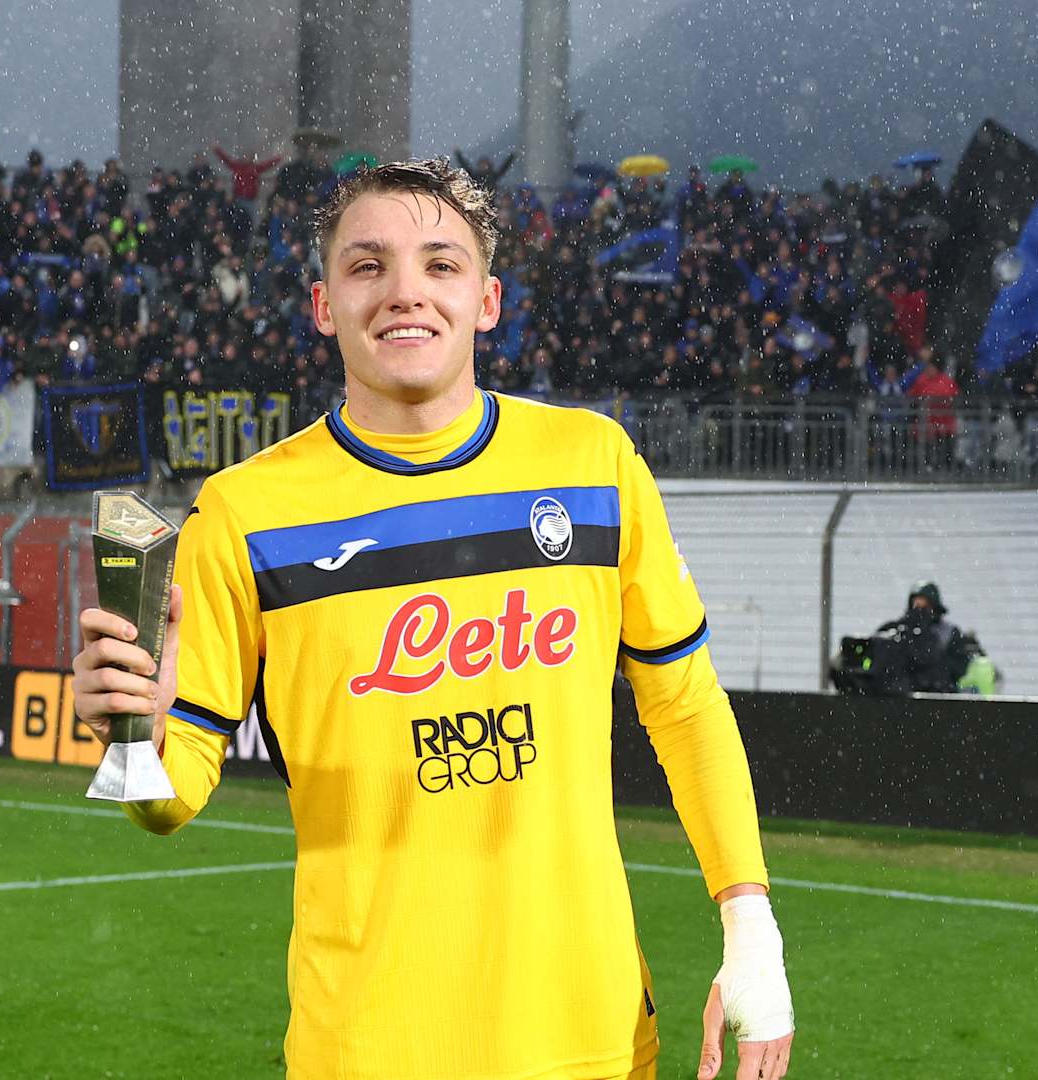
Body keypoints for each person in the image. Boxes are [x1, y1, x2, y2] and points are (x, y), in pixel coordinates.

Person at [71, 159, 795, 1080]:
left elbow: (685, 708)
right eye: (368, 265)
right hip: (366, 1051)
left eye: (441, 264)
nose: (405, 290)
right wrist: (133, 730)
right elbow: (167, 803)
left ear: (488, 301)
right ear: (324, 305)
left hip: (593, 1042)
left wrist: (751, 925)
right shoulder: (245, 515)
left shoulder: (595, 466)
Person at [871, 581, 975, 694]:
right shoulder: (895, 628)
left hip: (937, 694)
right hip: (899, 694)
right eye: (916, 604)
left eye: (925, 604)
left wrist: (935, 670)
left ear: (934, 605)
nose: (919, 608)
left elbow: (958, 667)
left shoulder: (948, 632)